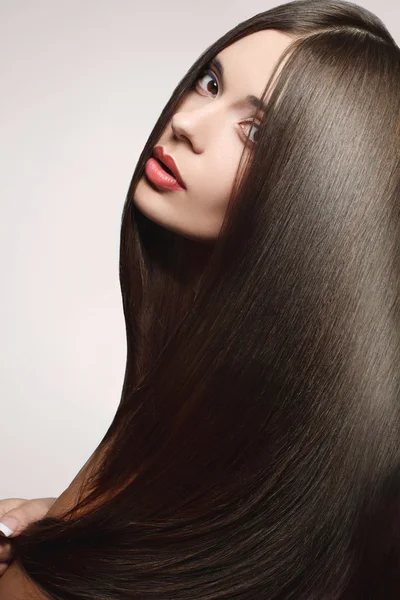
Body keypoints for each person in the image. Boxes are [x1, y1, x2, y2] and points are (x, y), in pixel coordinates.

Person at [1, 0, 399, 597]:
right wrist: (65, 525)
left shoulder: (302, 446)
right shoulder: (192, 373)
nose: (188, 121)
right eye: (209, 82)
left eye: (256, 130)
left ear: (323, 191)